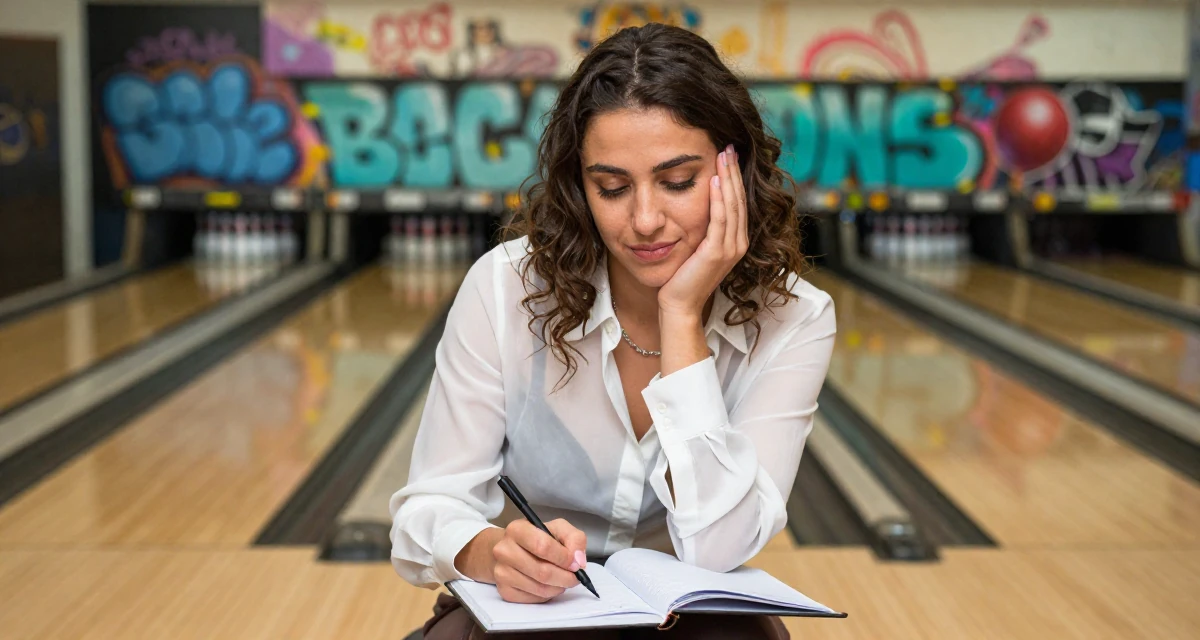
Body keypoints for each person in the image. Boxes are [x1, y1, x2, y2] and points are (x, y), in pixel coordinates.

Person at [390, 22, 836, 640]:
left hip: (692, 623)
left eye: (678, 182)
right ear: (580, 186)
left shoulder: (797, 318)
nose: (645, 219)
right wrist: (493, 552)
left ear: (734, 172)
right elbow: (427, 510)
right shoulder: (506, 288)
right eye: (612, 187)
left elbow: (717, 548)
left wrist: (681, 316)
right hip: (530, 612)